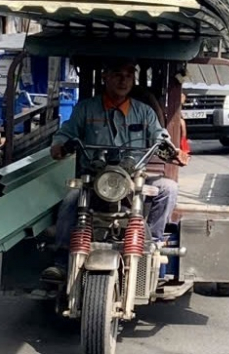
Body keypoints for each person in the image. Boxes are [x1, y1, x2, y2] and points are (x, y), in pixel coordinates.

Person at [43, 59, 186, 281]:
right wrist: (59, 145)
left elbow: (160, 136)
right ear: (105, 78)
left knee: (168, 189)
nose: (123, 80)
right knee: (71, 201)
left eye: (129, 75)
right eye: (117, 74)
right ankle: (61, 262)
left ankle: (153, 247)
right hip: (94, 180)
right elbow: (67, 132)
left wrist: (171, 150)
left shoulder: (144, 112)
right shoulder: (86, 108)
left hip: (133, 179)